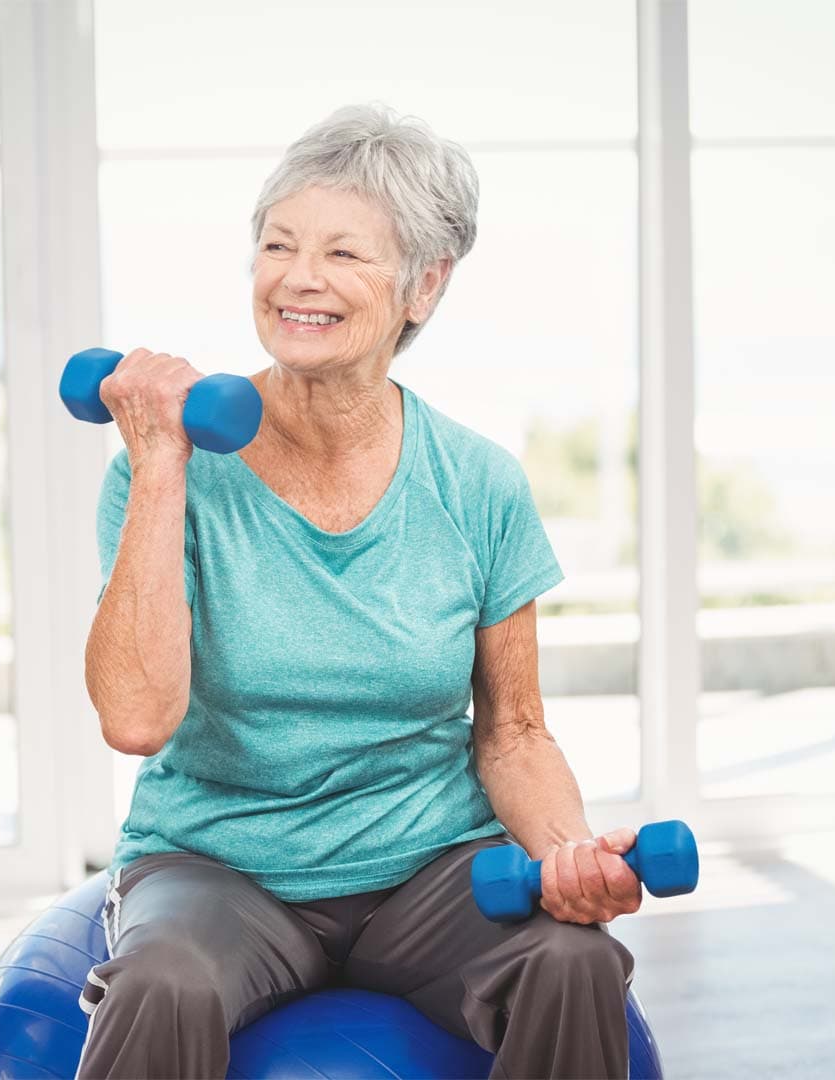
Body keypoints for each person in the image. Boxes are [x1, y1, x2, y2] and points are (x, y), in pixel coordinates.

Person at [75, 103, 640, 1080]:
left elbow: (512, 732)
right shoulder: (167, 466)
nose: (298, 276)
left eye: (343, 253)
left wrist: (569, 856)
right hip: (221, 866)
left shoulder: (477, 483)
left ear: (425, 285)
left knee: (572, 957)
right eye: (277, 244)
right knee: (161, 977)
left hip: (427, 870)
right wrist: (162, 457)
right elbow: (135, 719)